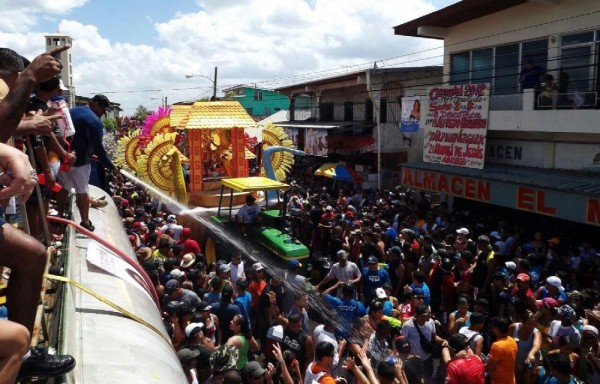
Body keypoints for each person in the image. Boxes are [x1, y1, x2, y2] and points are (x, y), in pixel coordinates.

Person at [0, 46, 76, 382]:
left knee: (32, 254)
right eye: (15, 85)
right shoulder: (13, 84)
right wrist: (30, 77)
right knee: (32, 253)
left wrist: (31, 124)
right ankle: (17, 349)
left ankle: (22, 351)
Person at [57, 94, 118, 231]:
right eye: (103, 109)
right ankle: (85, 222)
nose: (103, 113)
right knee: (82, 191)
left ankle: (60, 217)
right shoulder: (94, 121)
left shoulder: (71, 111)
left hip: (64, 157)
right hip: (80, 162)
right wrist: (110, 166)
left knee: (64, 187)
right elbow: (99, 148)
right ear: (94, 104)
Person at [487, 316, 518, 384]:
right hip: (510, 380)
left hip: (499, 381)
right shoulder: (512, 340)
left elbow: (491, 367)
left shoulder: (497, 345)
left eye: (492, 326)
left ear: (495, 328)